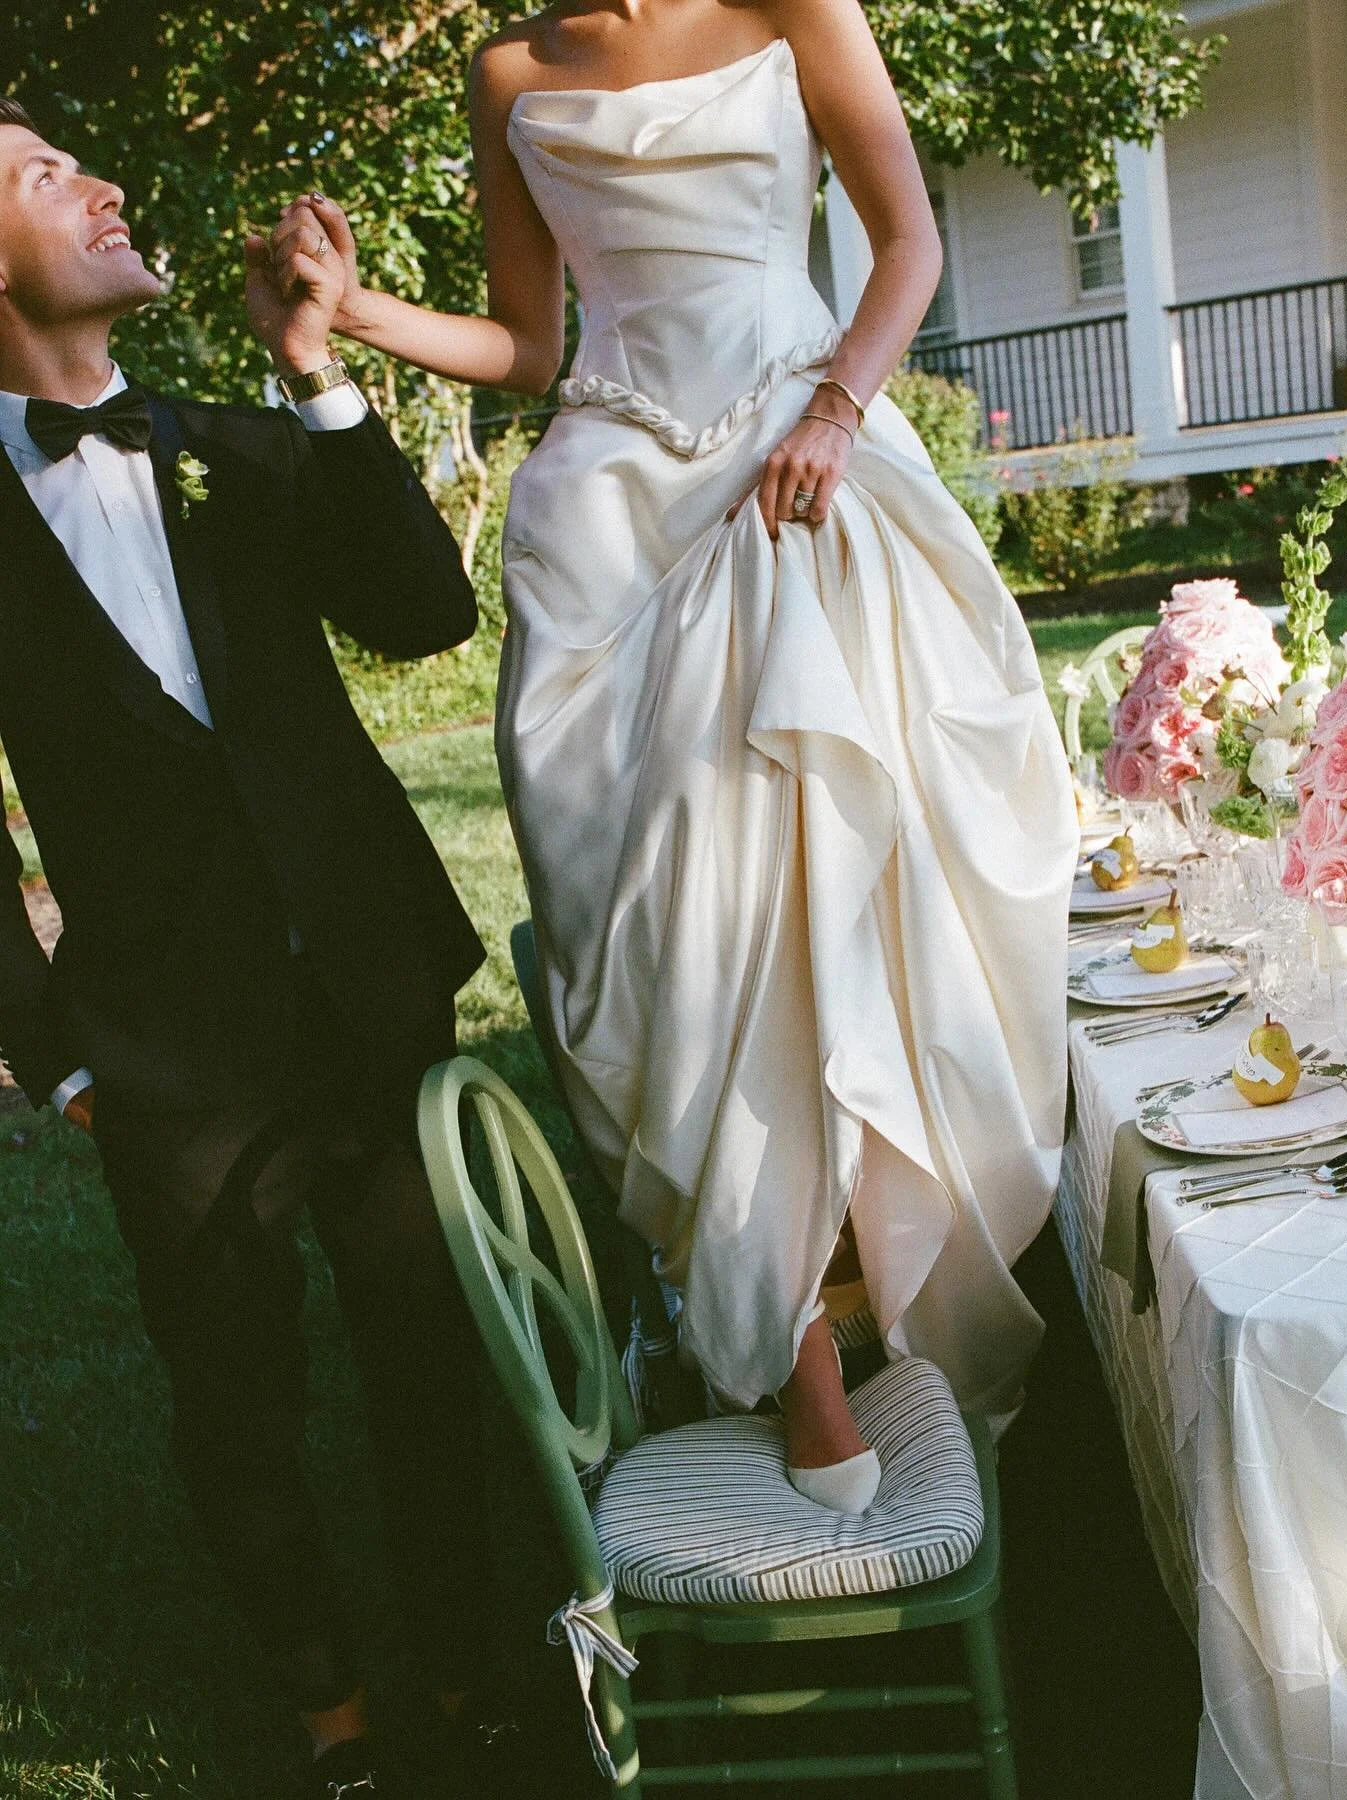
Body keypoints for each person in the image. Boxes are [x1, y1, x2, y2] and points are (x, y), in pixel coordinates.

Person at [292, 0, 1078, 1519]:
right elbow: (527, 344)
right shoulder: (507, 70)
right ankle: (789, 1346)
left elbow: (906, 242)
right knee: (661, 938)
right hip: (606, 523)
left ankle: (877, 1314)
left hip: (798, 466)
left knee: (835, 901)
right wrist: (354, 310)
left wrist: (839, 410)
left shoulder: (796, 7)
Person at [0, 96, 550, 1799]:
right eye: (31, 172)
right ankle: (337, 1729)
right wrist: (57, 1049)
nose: (92, 179)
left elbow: (425, 617)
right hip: (168, 1036)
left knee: (420, 1347)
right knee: (235, 1395)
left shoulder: (236, 442)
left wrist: (321, 371)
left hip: (362, 985)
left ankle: (465, 1677)